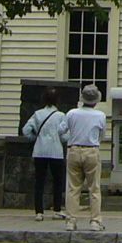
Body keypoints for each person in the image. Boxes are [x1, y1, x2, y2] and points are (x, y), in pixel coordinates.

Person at [62, 83, 108, 232]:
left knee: (73, 188)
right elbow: (102, 135)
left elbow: (61, 130)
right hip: (92, 150)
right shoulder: (100, 115)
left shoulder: (72, 113)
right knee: (94, 188)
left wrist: (70, 137)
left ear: (82, 98)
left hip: (74, 149)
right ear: (96, 99)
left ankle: (71, 221)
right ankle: (95, 221)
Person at [22, 88, 68, 221]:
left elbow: (26, 130)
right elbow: (64, 135)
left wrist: (34, 138)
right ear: (57, 100)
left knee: (39, 181)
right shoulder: (60, 115)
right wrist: (62, 140)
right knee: (57, 182)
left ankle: (39, 212)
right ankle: (57, 210)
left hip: (40, 150)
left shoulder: (37, 114)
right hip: (56, 151)